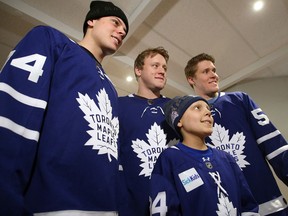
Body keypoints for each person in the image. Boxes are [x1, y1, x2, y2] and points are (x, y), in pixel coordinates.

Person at [0, 1, 129, 215]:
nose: (121, 32)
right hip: (51, 206)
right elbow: (14, 117)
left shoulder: (111, 87)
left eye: (124, 32)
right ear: (92, 20)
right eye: (115, 22)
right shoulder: (53, 42)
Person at [184, 53, 288, 215]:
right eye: (206, 72)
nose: (214, 75)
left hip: (268, 203)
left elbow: (276, 147)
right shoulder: (187, 116)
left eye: (214, 70)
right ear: (191, 79)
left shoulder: (240, 100)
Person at [149, 95, 259, 215]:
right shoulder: (170, 158)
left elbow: (248, 205)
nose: (208, 112)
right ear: (179, 120)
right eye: (197, 108)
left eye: (208, 108)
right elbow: (163, 210)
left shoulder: (226, 158)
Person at [118, 47, 178, 216]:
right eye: (155, 65)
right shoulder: (118, 105)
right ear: (138, 70)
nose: (162, 71)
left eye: (164, 68)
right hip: (131, 202)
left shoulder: (176, 107)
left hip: (175, 199)